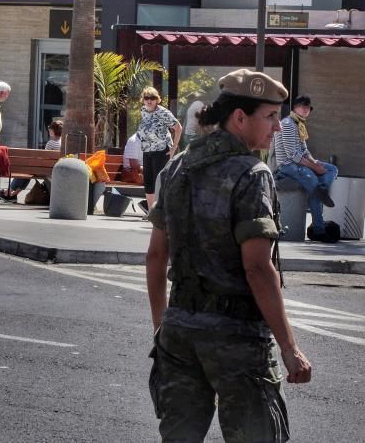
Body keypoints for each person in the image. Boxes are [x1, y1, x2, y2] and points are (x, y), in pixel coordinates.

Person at [146, 69, 312, 442]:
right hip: (236, 338)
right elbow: (257, 266)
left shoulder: (176, 168)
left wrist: (162, 328)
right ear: (240, 117)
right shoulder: (252, 173)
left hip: (179, 332)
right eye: (269, 117)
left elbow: (156, 257)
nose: (277, 127)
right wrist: (289, 347)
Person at [273, 95, 338, 241]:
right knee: (313, 181)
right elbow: (292, 154)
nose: (306, 109)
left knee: (332, 169)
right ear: (294, 108)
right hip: (288, 165)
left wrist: (315, 163)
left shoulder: (299, 124)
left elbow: (304, 150)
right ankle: (319, 231)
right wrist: (313, 168)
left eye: (308, 107)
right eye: (302, 106)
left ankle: (320, 189)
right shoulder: (288, 123)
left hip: (299, 162)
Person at [137, 86, 182, 210]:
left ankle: (160, 210)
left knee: (159, 181)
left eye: (152, 98)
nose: (149, 101)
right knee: (148, 182)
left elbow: (178, 128)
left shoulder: (163, 112)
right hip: (147, 149)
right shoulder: (143, 111)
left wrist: (174, 148)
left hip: (161, 150)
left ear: (157, 99)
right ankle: (151, 211)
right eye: (146, 98)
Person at [3, 119, 63, 201]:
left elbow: (44, 158)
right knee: (28, 172)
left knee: (26, 170)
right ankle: (13, 194)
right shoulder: (62, 143)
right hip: (54, 170)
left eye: (50, 128)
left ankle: (8, 192)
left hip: (45, 170)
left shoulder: (51, 143)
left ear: (52, 131)